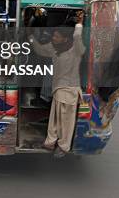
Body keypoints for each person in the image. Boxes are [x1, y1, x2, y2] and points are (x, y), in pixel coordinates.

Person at [30, 11, 85, 158]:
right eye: (53, 35)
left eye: (56, 36)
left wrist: (79, 24)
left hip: (70, 91)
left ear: (65, 38)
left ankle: (63, 147)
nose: (53, 38)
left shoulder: (76, 50)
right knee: (54, 119)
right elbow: (40, 49)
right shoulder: (54, 48)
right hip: (58, 90)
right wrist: (30, 37)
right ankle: (50, 142)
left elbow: (78, 36)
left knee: (66, 122)